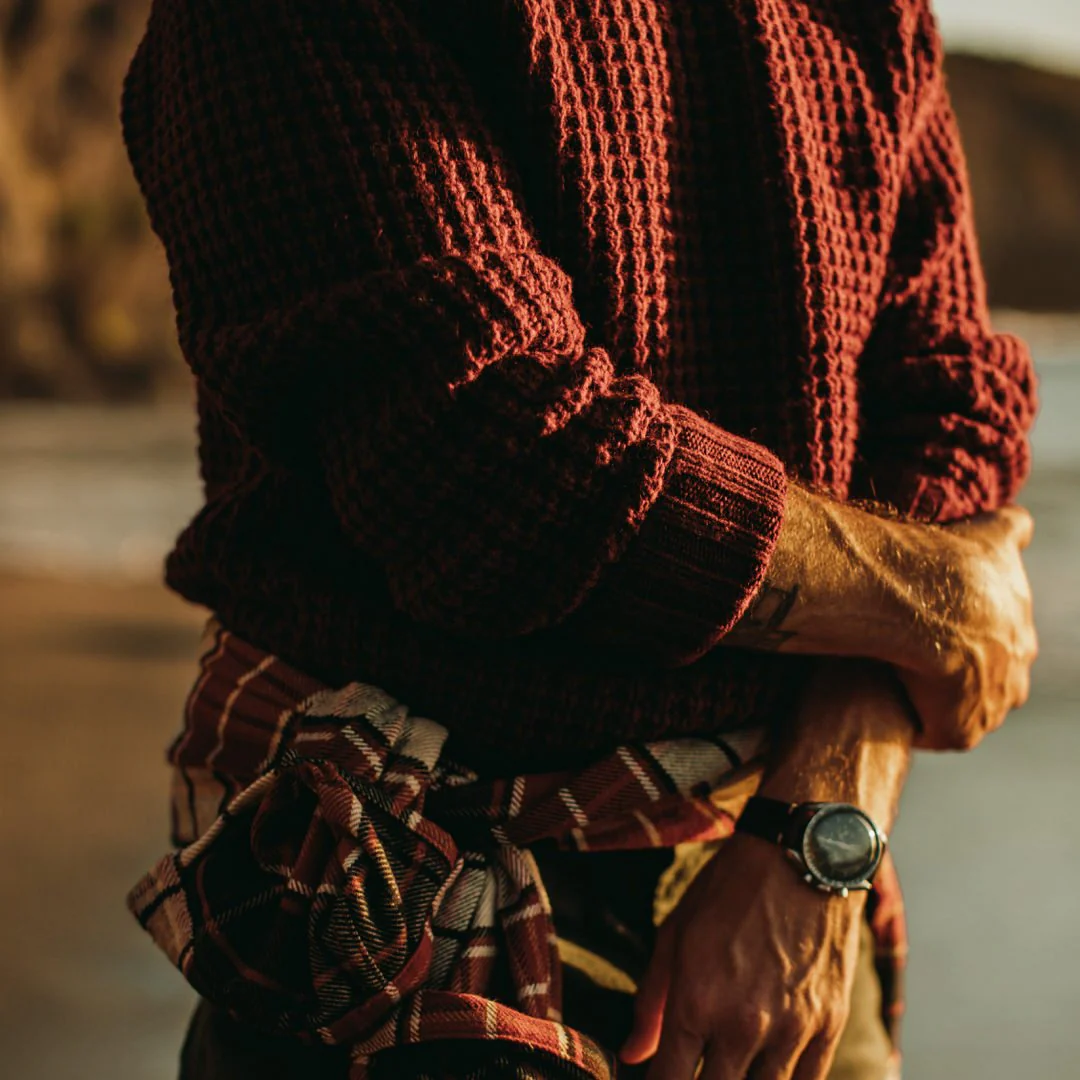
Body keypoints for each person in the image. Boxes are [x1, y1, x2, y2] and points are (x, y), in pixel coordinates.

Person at [120, 1, 1037, 1078]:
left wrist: (823, 818)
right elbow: (491, 464)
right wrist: (935, 598)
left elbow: (952, 409)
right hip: (398, 902)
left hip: (788, 893)